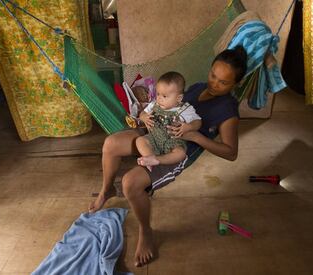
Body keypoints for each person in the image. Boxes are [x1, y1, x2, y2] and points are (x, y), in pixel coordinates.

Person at [88, 46, 247, 267]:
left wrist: (195, 136)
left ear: (235, 85)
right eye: (213, 75)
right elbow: (165, 104)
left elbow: (231, 153)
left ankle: (146, 231)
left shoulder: (228, 110)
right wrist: (145, 114)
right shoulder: (197, 87)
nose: (214, 83)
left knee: (130, 184)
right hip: (154, 134)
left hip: (176, 150)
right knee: (110, 144)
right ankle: (106, 190)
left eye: (223, 82)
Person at [136, 71, 201, 171]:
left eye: (164, 96)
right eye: (158, 94)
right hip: (153, 138)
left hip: (173, 142)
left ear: (179, 98)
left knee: (181, 154)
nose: (159, 99)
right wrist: (144, 117)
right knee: (140, 141)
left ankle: (158, 160)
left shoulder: (185, 109)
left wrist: (188, 127)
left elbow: (198, 122)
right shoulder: (154, 105)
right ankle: (150, 157)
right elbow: (142, 114)